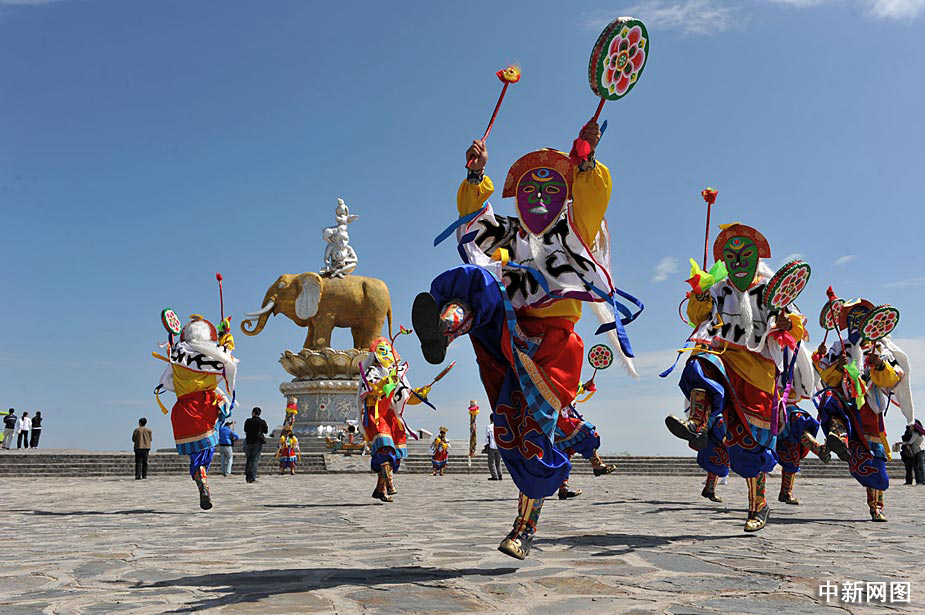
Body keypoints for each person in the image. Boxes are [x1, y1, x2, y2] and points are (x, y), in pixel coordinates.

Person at [412, 122, 641, 559]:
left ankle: (524, 527)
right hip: (510, 331)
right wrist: (476, 175)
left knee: (530, 430)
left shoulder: (574, 231)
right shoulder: (510, 233)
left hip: (554, 346)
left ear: (564, 196)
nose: (539, 196)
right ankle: (444, 328)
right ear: (518, 197)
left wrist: (586, 160)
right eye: (530, 189)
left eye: (550, 189)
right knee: (477, 278)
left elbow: (592, 199)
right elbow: (475, 224)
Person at [665, 224, 803, 532]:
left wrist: (786, 323)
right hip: (724, 353)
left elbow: (795, 324)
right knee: (700, 363)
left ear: (756, 257)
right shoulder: (718, 288)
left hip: (758, 368)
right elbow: (698, 317)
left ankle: (759, 505)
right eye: (731, 255)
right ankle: (697, 423)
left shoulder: (770, 289)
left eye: (745, 254)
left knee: (748, 444)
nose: (738, 260)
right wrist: (700, 292)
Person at [814, 299, 914, 521]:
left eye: (862, 319)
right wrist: (837, 366)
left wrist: (879, 365)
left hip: (870, 407)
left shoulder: (881, 348)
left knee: (875, 456)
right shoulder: (839, 347)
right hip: (844, 402)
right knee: (829, 402)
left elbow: (893, 379)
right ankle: (838, 438)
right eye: (853, 319)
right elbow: (825, 377)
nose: (857, 324)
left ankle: (876, 506)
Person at [154, 314, 238, 510]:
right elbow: (229, 357)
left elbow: (166, 382)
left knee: (197, 450)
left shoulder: (177, 356)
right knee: (207, 446)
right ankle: (202, 472)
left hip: (183, 409)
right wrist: (226, 335)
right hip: (205, 405)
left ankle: (200, 473)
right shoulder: (214, 356)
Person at [357, 336, 431, 502]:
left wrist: (420, 394)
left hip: (392, 416)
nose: (386, 355)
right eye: (382, 351)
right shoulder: (372, 372)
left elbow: (406, 397)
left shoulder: (397, 373)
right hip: (376, 413)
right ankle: (389, 484)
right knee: (385, 447)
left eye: (388, 351)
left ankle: (380, 488)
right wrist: (385, 382)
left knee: (395, 454)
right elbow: (371, 390)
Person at [775, 345, 830, 505]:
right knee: (797, 419)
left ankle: (786, 492)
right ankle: (818, 449)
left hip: (788, 409)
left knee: (792, 450)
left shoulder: (795, 363)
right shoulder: (768, 356)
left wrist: (819, 358)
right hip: (769, 407)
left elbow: (811, 377)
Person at [243, 407, 268, 483]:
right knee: (255, 460)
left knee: (249, 459)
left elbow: (245, 429)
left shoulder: (248, 421)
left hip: (249, 441)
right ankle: (252, 477)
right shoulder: (262, 421)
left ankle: (248, 476)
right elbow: (266, 431)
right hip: (257, 442)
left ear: (253, 413)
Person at [900, 420, 925, 485]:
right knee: (920, 467)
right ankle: (920, 480)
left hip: (917, 450)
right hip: (920, 449)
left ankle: (921, 480)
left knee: (919, 467)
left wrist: (901, 443)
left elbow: (910, 442)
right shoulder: (921, 433)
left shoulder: (915, 433)